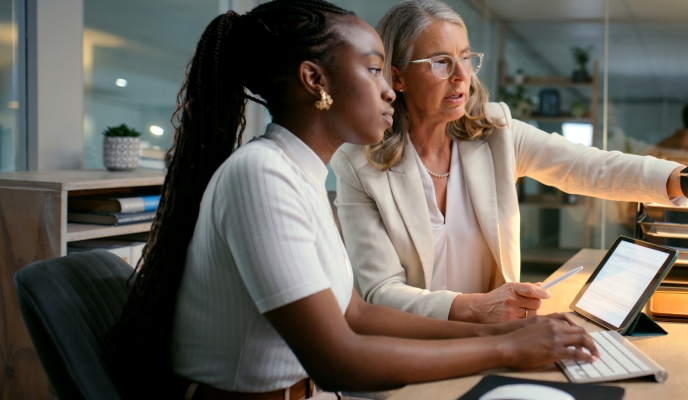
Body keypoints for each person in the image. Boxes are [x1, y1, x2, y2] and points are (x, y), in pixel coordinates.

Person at [103, 2, 598, 399]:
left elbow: (355, 314)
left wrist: (502, 335)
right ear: (315, 81)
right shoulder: (261, 176)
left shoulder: (299, 174)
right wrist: (507, 351)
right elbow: (339, 360)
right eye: (374, 70)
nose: (390, 91)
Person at [330, 0, 688, 324]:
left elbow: (593, 167)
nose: (461, 76)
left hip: (496, 338)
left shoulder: (496, 133)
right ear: (397, 77)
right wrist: (473, 306)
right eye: (439, 62)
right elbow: (379, 294)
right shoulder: (358, 165)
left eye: (467, 58)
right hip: (417, 349)